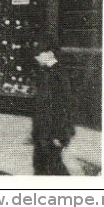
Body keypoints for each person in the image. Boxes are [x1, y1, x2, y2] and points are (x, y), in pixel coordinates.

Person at [31, 37, 76, 175]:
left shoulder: (58, 75)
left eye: (39, 54)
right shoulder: (46, 73)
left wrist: (59, 135)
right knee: (43, 167)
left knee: (53, 168)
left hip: (52, 134)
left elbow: (63, 106)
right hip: (44, 134)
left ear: (49, 54)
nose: (37, 58)